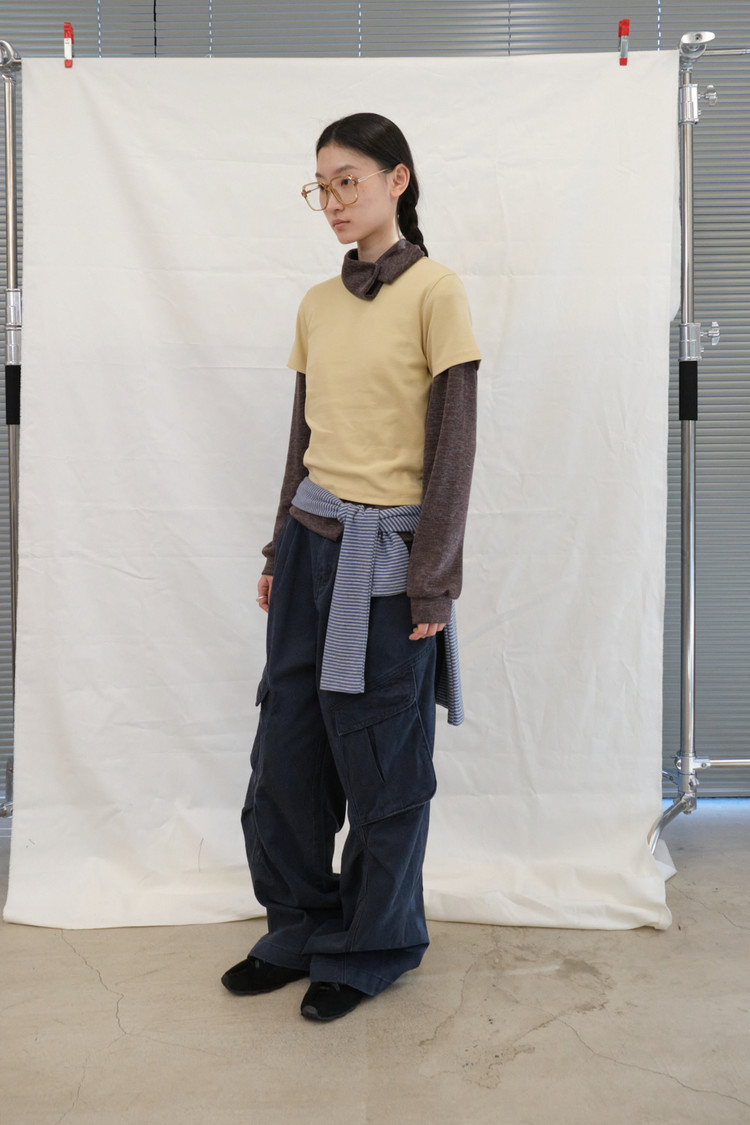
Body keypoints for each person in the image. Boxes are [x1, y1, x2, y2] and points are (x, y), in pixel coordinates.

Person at [221, 112, 482, 1022]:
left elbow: (454, 447)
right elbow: (302, 437)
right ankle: (299, 925)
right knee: (286, 750)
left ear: (397, 180)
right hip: (308, 548)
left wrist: (433, 579)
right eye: (321, 185)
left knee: (380, 759)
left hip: (387, 561)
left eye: (349, 181)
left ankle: (372, 945)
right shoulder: (317, 303)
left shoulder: (437, 292)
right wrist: (276, 547)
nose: (333, 201)